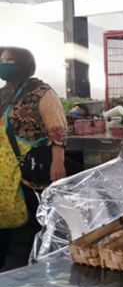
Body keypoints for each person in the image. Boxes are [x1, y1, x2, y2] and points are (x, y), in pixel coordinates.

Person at [0, 47, 67, 269]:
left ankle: (29, 268)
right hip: (4, 173)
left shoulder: (41, 92)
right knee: (6, 221)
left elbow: (56, 128)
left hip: (30, 168)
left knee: (30, 221)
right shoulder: (4, 93)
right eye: (1, 60)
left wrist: (58, 162)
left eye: (8, 60)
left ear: (23, 63)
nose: (3, 64)